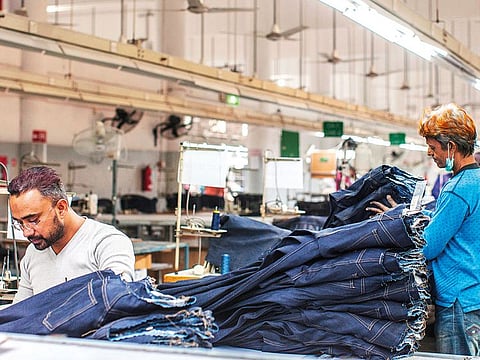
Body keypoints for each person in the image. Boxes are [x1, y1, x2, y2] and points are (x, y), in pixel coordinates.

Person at [367, 103, 480, 356]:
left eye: (433, 147)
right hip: (475, 293)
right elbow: (457, 224)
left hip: (457, 300)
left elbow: (427, 247)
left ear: (451, 146)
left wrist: (395, 230)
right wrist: (410, 215)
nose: (430, 153)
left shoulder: (457, 188)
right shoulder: (476, 181)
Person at [8, 166, 135, 303]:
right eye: (20, 223)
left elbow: (117, 300)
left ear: (61, 208)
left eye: (33, 221)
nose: (26, 232)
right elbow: (20, 313)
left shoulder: (107, 243)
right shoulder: (33, 253)